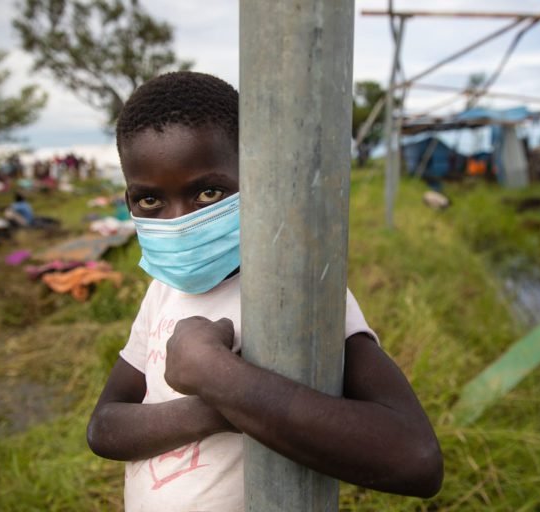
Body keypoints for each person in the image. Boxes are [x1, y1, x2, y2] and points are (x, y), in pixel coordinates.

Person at [86, 72, 443, 511]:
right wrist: (214, 409)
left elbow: (417, 459)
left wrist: (215, 375)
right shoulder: (162, 291)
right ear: (128, 201)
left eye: (208, 192)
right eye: (150, 201)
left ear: (257, 180)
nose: (178, 221)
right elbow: (104, 427)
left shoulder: (304, 294)